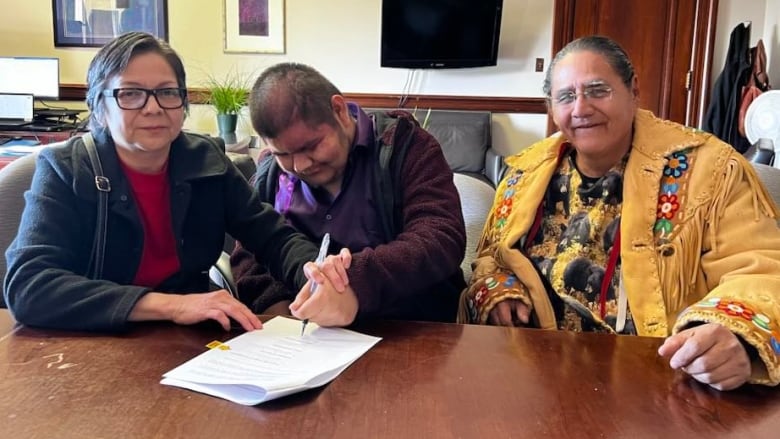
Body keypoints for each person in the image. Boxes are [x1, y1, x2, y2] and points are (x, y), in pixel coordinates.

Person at [458, 35, 780, 390]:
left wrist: (735, 336)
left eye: (597, 90)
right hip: (536, 377)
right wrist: (497, 286)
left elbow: (762, 266)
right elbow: (490, 256)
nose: (580, 108)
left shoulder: (711, 169)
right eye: (566, 97)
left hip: (660, 382)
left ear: (633, 90)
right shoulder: (524, 173)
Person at [3, 32, 348, 332]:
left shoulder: (207, 161)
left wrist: (318, 277)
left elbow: (274, 238)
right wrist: (172, 306)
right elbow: (29, 287)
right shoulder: (65, 169)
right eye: (131, 94)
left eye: (168, 92)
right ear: (99, 107)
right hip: (87, 344)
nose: (153, 108)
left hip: (187, 345)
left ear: (182, 104)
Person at [231, 62, 466, 324]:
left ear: (339, 110)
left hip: (409, 332)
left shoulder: (407, 147)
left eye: (312, 145)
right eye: (283, 154)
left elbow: (441, 236)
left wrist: (353, 284)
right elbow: (248, 254)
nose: (301, 165)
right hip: (305, 338)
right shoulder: (269, 175)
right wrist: (281, 310)